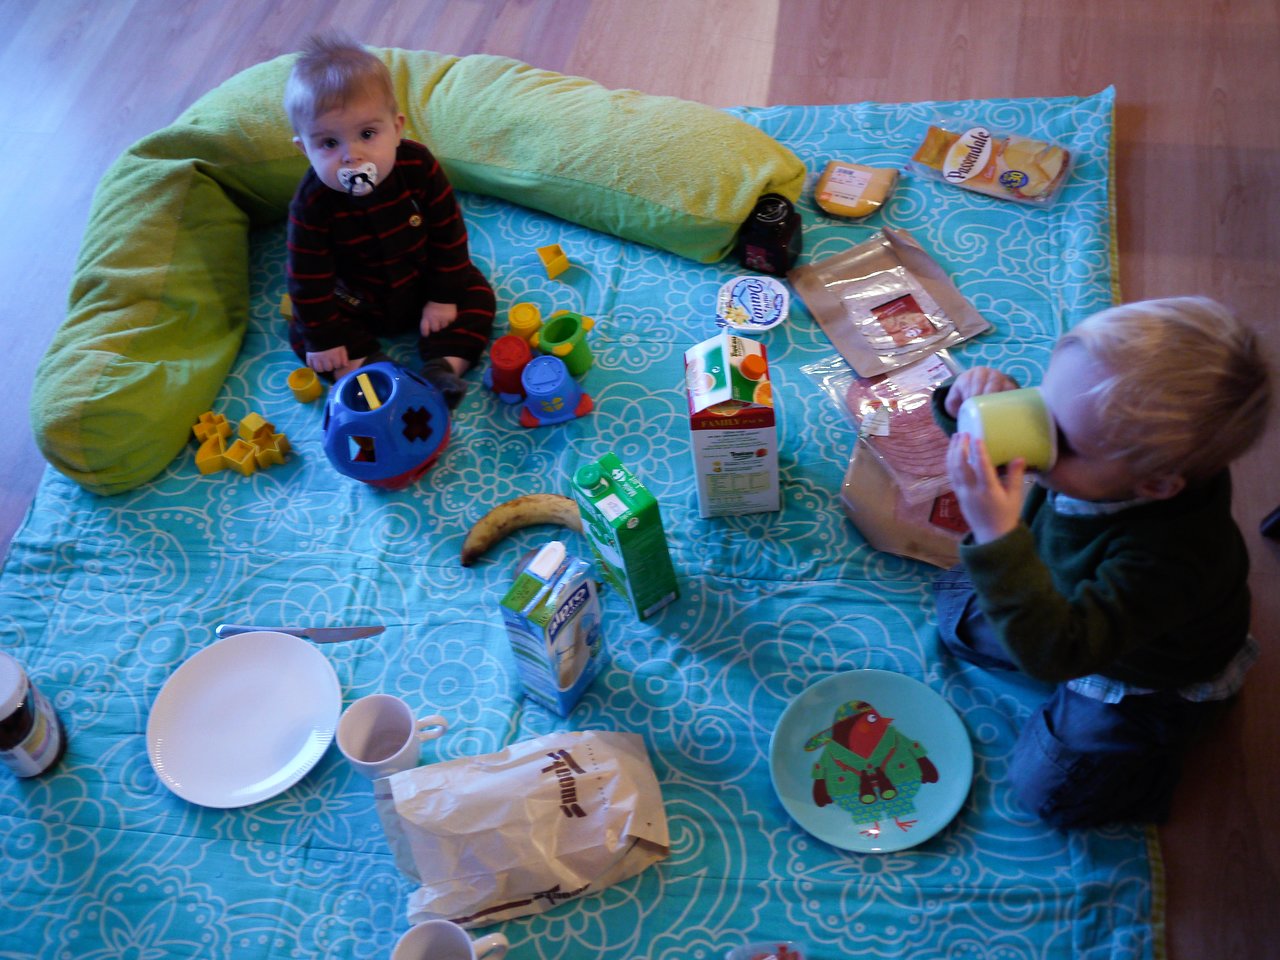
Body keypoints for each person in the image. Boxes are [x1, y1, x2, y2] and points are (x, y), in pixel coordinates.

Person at [931, 297, 1271, 829]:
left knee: (1048, 790)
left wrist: (999, 535)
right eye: (1039, 402)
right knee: (956, 616)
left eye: (1059, 439)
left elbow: (1059, 653)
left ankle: (1147, 764)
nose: (1038, 435)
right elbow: (1044, 433)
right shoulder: (1113, 459)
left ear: (1156, 484)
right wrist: (965, 405)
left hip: (1137, 675)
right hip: (1072, 594)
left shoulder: (1169, 560)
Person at [282, 33, 495, 407]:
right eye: (329, 144)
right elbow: (306, 277)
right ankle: (373, 373)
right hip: (357, 297)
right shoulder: (312, 203)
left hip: (423, 281)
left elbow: (449, 233)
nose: (352, 155)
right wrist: (326, 338)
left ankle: (443, 368)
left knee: (476, 293)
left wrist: (443, 297)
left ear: (396, 129)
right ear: (304, 149)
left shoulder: (418, 166)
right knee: (306, 334)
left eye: (367, 134)